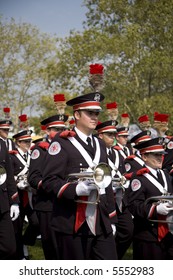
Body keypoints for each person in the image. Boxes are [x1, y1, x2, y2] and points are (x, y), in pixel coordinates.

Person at [42, 92, 118, 260]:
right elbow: (49, 182)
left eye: (97, 113)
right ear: (77, 114)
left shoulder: (99, 144)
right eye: (89, 113)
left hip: (100, 220)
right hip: (72, 221)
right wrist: (76, 188)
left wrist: (111, 218)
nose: (94, 117)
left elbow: (107, 181)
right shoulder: (61, 143)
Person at [28, 114, 68, 259]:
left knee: (65, 247)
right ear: (46, 131)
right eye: (56, 129)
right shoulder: (41, 149)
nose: (60, 132)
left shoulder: (66, 147)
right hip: (47, 204)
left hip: (65, 202)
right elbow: (33, 178)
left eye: (63, 129)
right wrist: (54, 186)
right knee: (52, 248)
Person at [127, 137, 173, 259]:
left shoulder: (165, 174)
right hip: (147, 235)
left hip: (168, 232)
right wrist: (155, 209)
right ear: (144, 157)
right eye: (156, 155)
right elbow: (133, 205)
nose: (160, 158)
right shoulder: (138, 178)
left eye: (161, 154)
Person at [95, 120, 134, 259]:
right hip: (104, 199)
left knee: (128, 231)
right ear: (100, 135)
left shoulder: (118, 154)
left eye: (114, 134)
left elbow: (122, 173)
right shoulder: (95, 153)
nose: (113, 137)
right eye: (109, 134)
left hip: (119, 199)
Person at [10, 129, 40, 259]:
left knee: (36, 222)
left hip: (30, 195)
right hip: (18, 196)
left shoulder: (32, 155)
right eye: (25, 141)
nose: (28, 143)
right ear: (18, 142)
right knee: (17, 227)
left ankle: (25, 242)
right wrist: (18, 181)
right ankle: (19, 254)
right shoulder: (11, 156)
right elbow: (9, 176)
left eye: (29, 141)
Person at [0, 138, 20, 259]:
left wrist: (14, 202)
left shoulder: (1, 143)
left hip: (2, 203)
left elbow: (8, 173)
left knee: (9, 248)